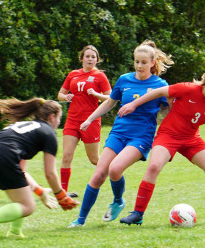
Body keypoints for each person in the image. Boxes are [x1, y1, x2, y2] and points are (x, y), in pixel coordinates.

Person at [67, 40, 173, 228]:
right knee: (99, 173)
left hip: (141, 137)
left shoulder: (160, 84)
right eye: (136, 62)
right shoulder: (124, 79)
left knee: (114, 170)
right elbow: (110, 102)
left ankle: (118, 201)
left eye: (143, 62)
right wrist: (90, 119)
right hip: (118, 132)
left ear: (152, 62)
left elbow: (172, 110)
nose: (139, 66)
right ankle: (80, 220)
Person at [117, 62, 205, 226]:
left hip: (192, 139)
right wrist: (133, 104)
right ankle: (137, 214)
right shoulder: (188, 88)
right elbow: (160, 91)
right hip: (168, 135)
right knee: (154, 166)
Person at [0, 97, 79, 241]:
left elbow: (22, 172)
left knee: (22, 197)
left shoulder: (27, 126)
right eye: (60, 118)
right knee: (28, 207)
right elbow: (50, 173)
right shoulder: (48, 133)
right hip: (4, 157)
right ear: (52, 116)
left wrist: (40, 191)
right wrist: (61, 196)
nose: (59, 123)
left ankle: (15, 232)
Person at [57, 45, 112, 196]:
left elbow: (110, 97)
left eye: (93, 57)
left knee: (94, 159)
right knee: (67, 156)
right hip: (72, 121)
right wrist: (65, 97)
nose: (90, 59)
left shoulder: (100, 76)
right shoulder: (73, 74)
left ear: (97, 60)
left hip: (91, 121)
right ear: (81, 59)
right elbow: (60, 94)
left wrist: (96, 94)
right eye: (87, 56)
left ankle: (115, 176)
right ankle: (63, 193)